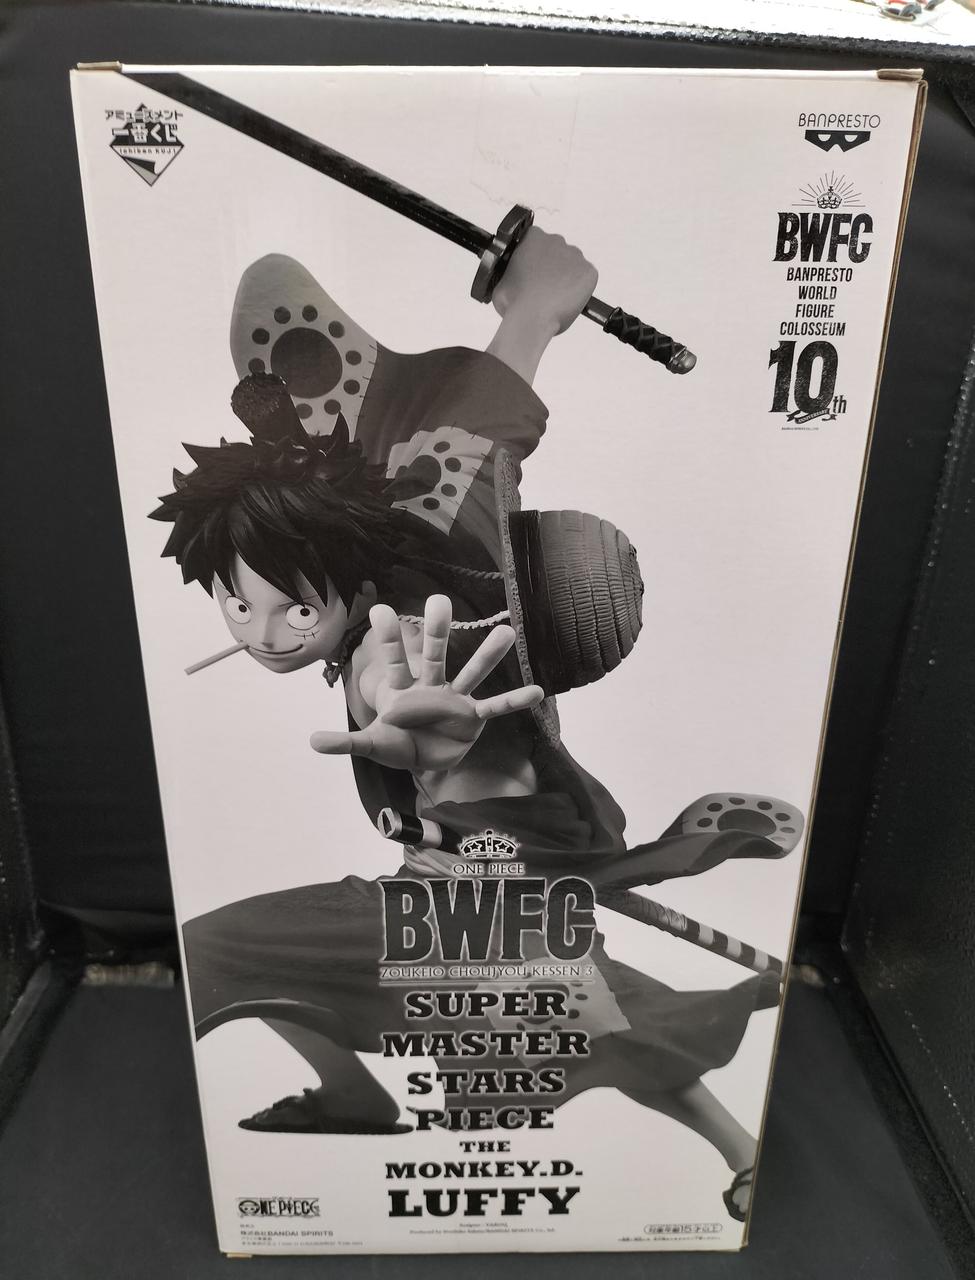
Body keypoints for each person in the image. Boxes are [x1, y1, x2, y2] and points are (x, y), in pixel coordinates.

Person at [153, 230, 796, 1219]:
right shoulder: (418, 547)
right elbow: (473, 445)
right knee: (250, 951)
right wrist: (530, 311)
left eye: (293, 608)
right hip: (446, 879)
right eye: (239, 606)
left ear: (345, 579)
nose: (263, 634)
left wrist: (415, 725)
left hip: (492, 896)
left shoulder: (403, 642)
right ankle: (355, 1097)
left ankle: (746, 1153)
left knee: (598, 1022)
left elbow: (409, 676)